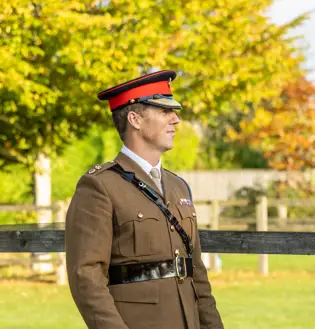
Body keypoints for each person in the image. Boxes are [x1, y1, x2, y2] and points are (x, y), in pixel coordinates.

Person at [65, 70, 225, 329]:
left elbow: (196, 271)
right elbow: (87, 276)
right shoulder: (100, 186)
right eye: (164, 111)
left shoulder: (178, 187)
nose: (176, 119)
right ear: (135, 119)